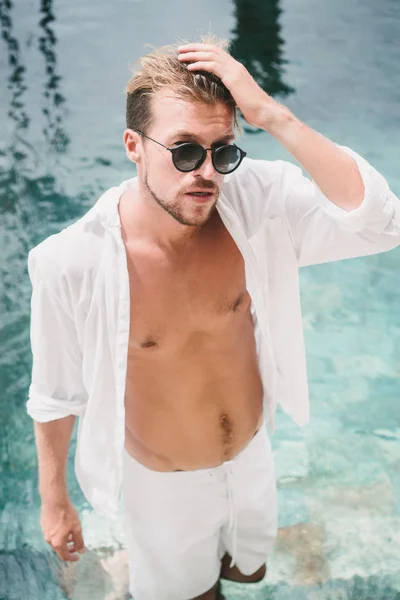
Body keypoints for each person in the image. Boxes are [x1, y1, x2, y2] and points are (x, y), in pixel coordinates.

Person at [26, 35, 400, 600]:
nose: (205, 173)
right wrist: (54, 501)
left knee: (249, 572)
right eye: (183, 151)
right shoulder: (71, 262)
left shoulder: (254, 203)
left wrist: (272, 115)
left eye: (222, 150)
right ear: (133, 144)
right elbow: (56, 394)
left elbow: (379, 224)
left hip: (252, 456)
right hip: (166, 488)